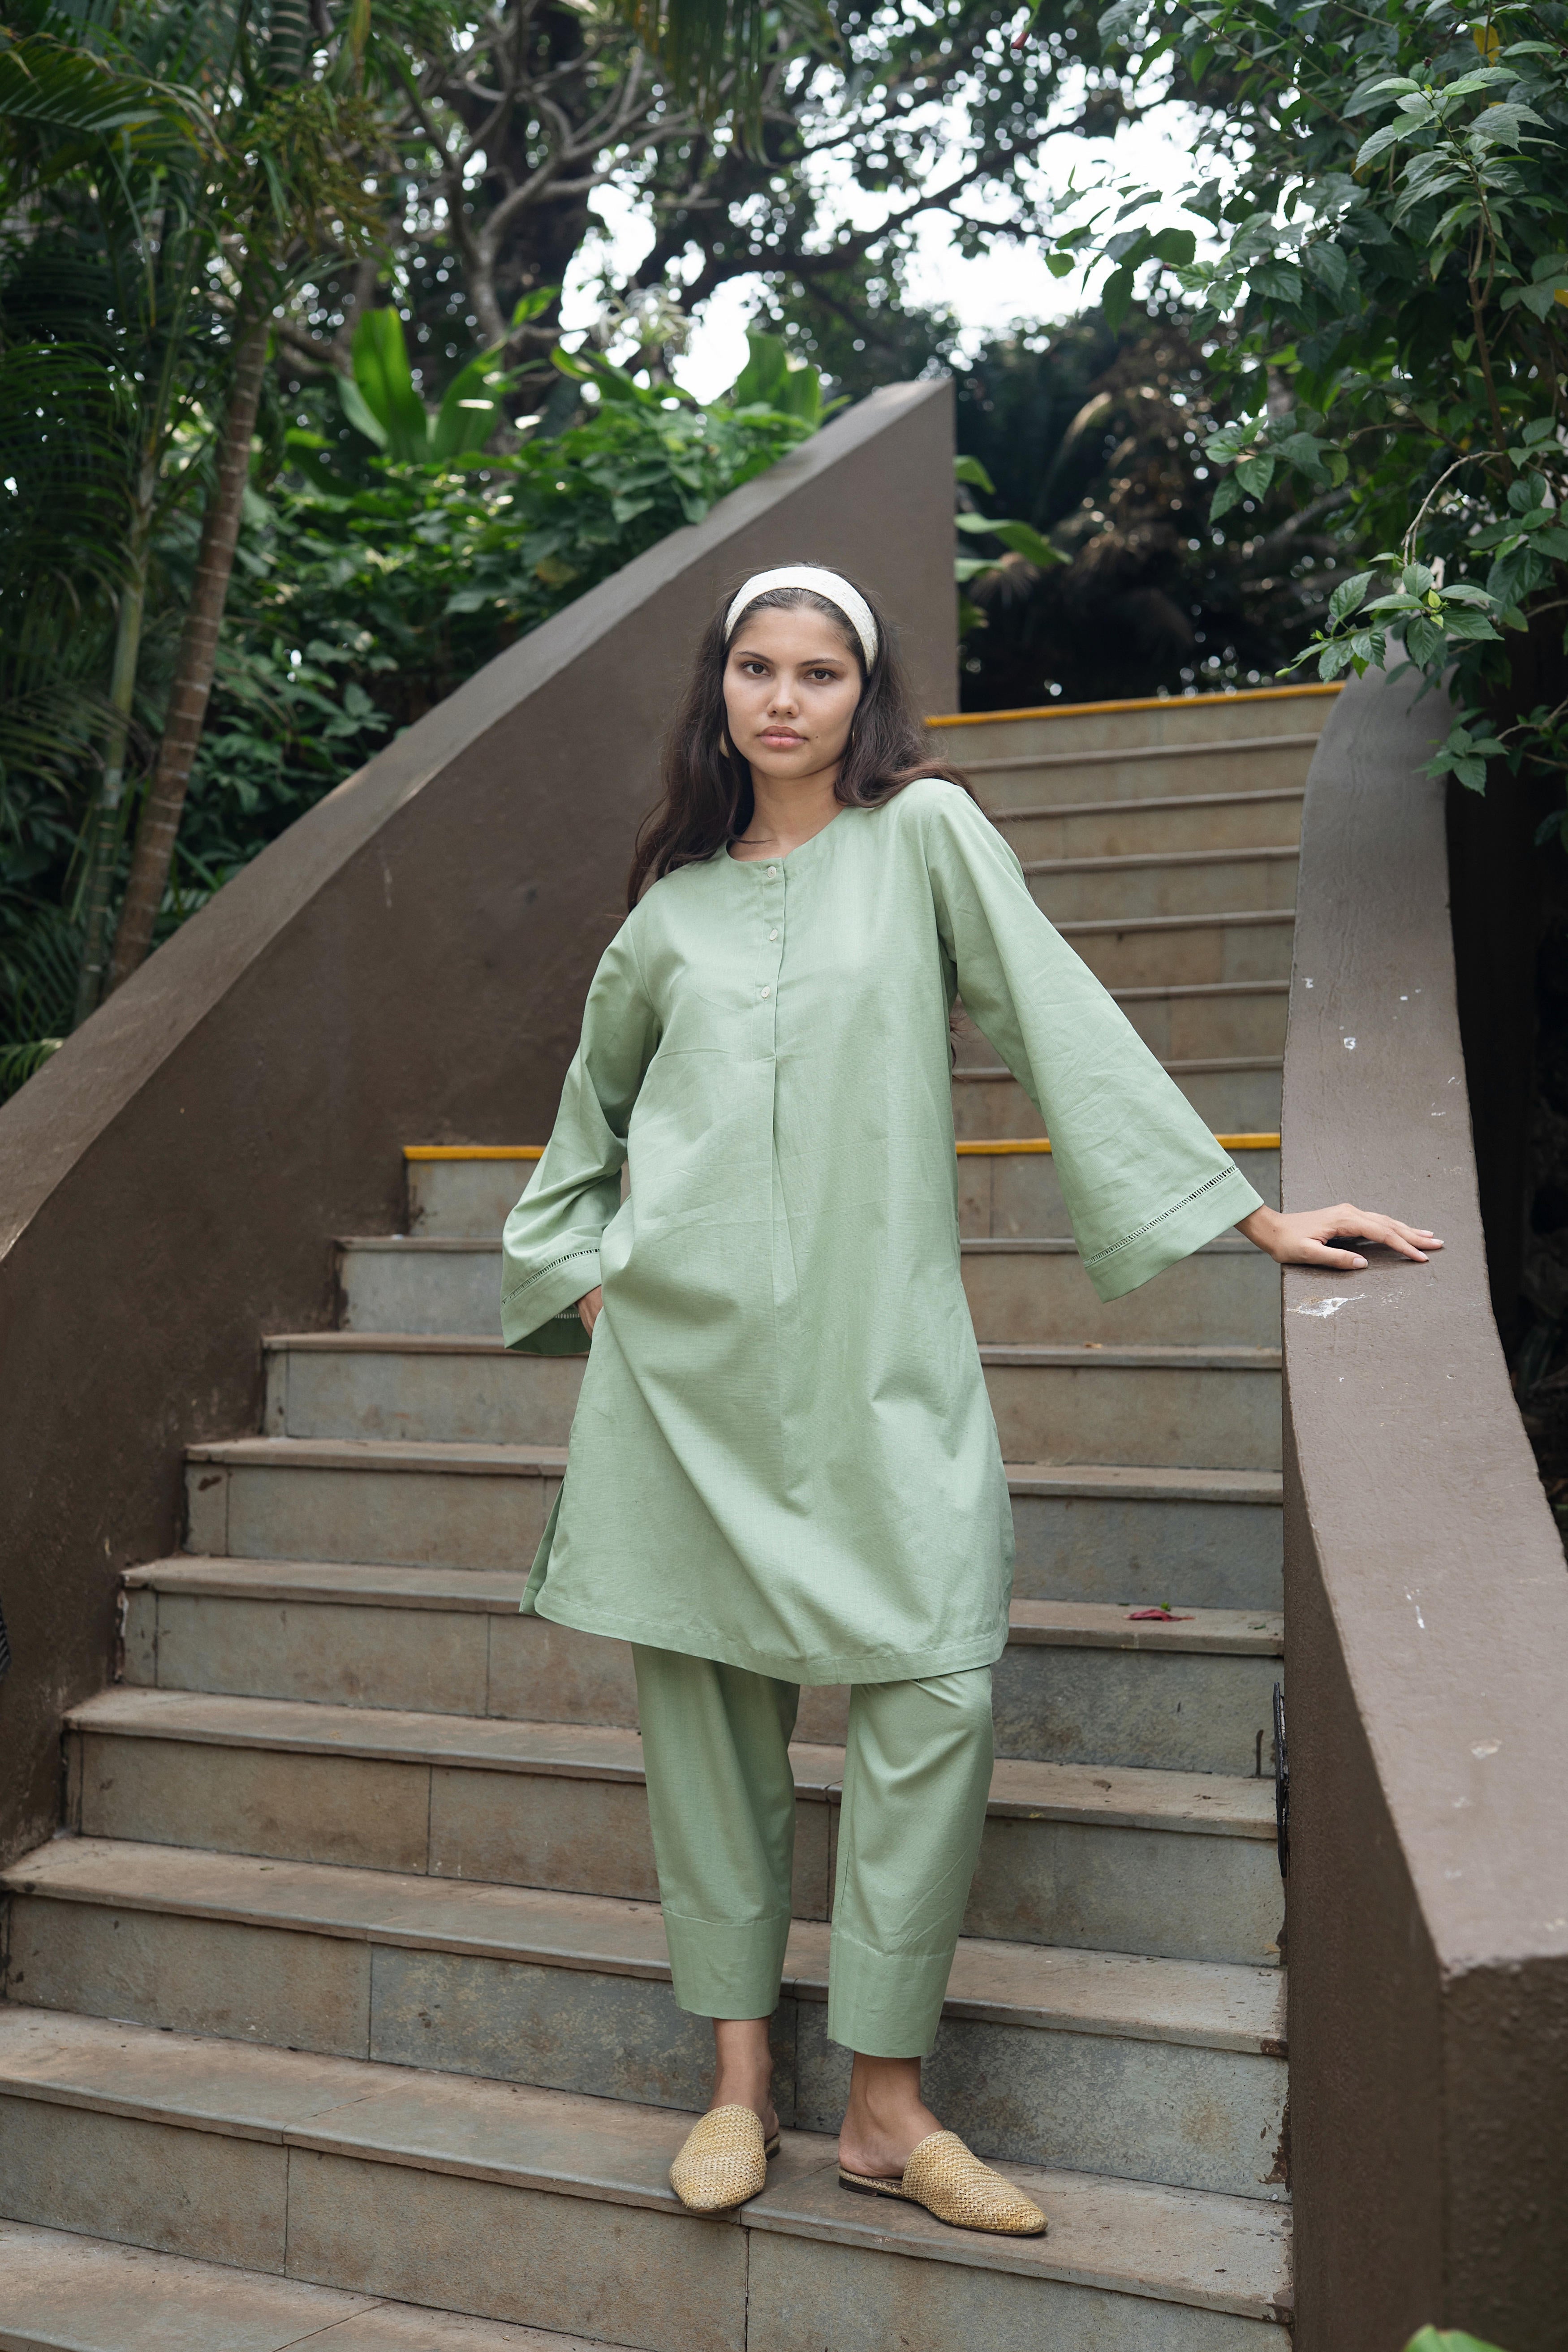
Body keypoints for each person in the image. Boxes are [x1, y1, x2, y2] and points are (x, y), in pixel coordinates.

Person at [500, 563, 1439, 2236]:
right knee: (704, 1725)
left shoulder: (925, 834)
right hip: (685, 1389)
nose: (784, 699)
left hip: (883, 1374)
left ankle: (884, 2104)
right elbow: (579, 1147)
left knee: (933, 1689)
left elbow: (1057, 1014)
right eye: (757, 668)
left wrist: (1252, 1214)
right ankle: (736, 2085)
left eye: (820, 672)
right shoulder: (669, 918)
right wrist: (591, 1280)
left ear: (865, 696)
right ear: (720, 689)